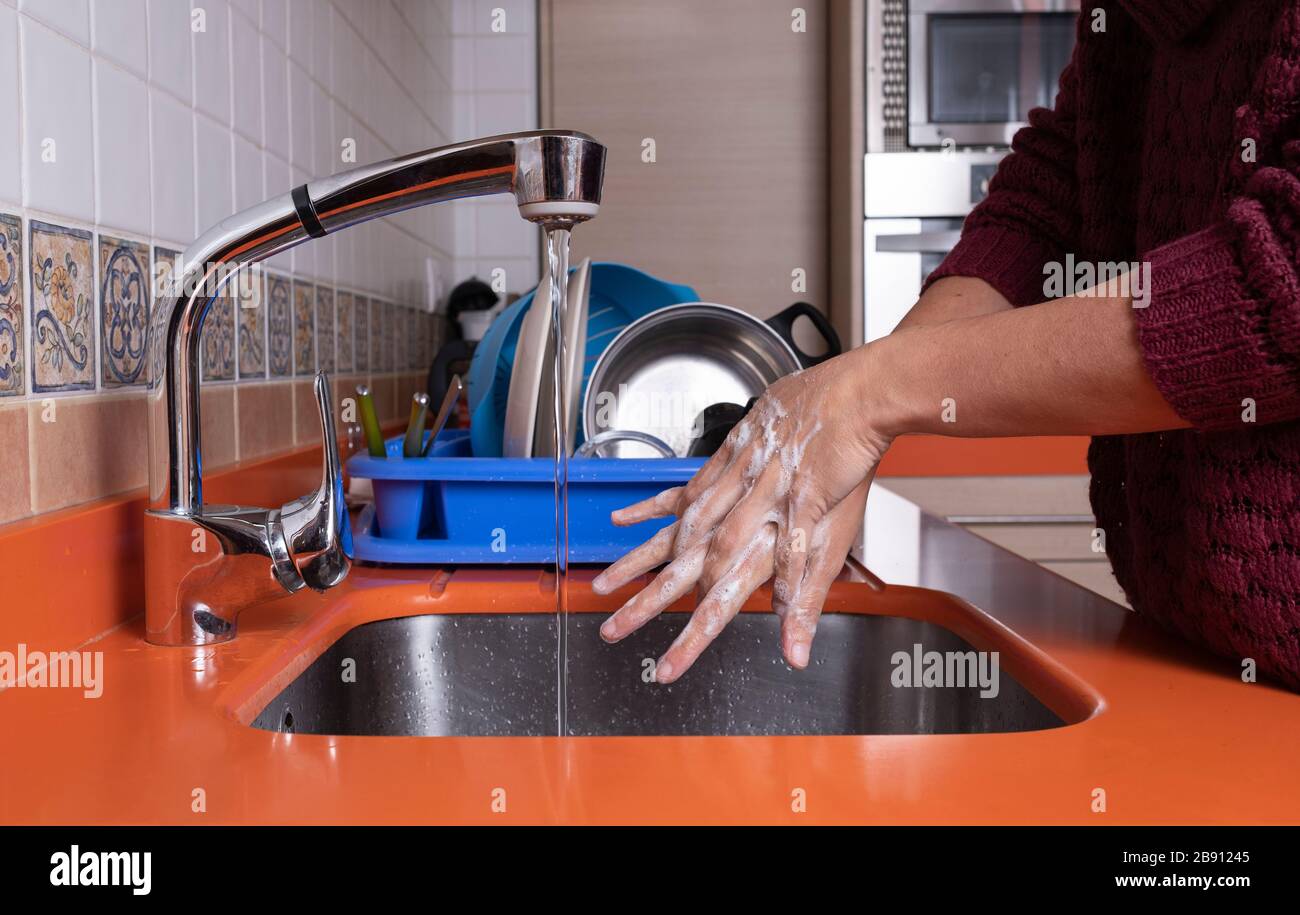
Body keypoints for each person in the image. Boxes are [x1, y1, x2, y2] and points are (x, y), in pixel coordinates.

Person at [593, 0, 1300, 690]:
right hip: (1197, 656)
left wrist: (870, 395)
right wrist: (844, 425)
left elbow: (1279, 280)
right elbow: (1054, 190)